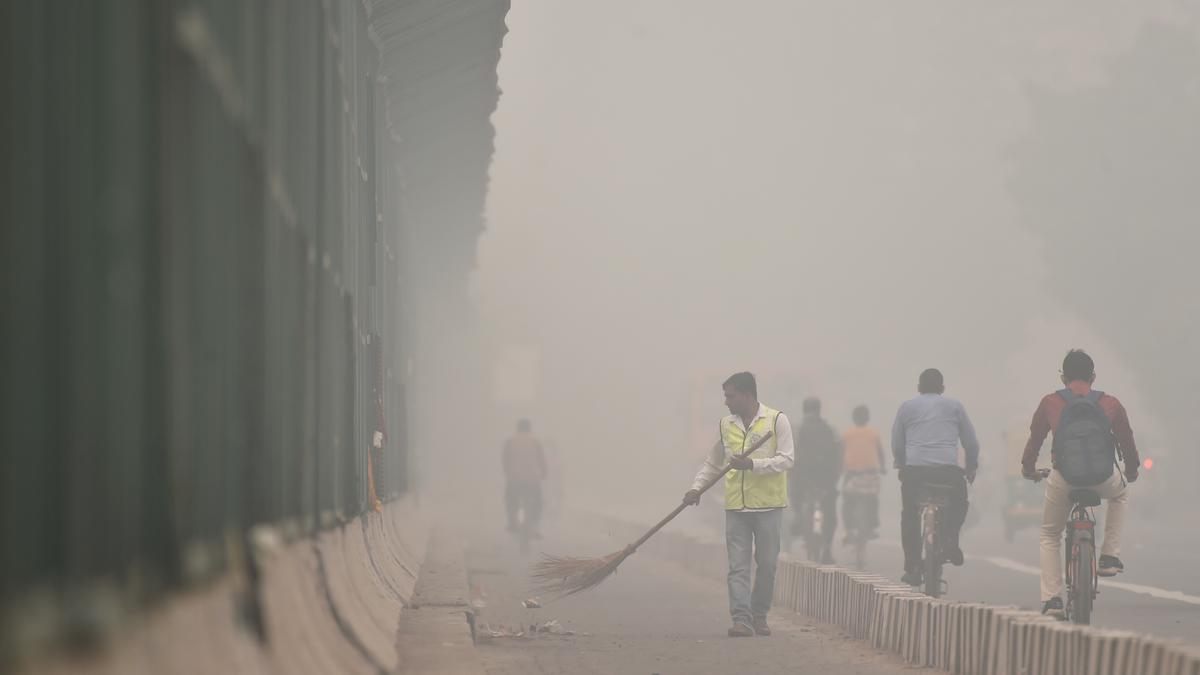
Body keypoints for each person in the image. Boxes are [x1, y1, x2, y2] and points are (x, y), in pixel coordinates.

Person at [1021, 349, 1139, 619]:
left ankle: (1052, 599)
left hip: (1064, 478)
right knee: (1120, 495)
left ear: (1063, 377)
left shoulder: (1050, 402)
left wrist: (1029, 469)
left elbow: (1034, 440)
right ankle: (1109, 557)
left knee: (1050, 534)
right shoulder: (1111, 403)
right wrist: (1131, 471)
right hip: (1103, 478)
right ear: (1093, 377)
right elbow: (1127, 442)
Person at [683, 372, 795, 638]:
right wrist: (696, 488)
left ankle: (759, 614)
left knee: (767, 565)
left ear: (747, 395)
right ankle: (741, 620)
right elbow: (713, 463)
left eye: (730, 396)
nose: (726, 402)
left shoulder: (777, 420)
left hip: (769, 507)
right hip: (736, 508)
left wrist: (753, 465)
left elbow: (787, 459)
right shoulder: (725, 425)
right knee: (738, 567)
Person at [891, 368, 979, 586]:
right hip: (947, 472)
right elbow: (971, 442)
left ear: (919, 388)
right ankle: (950, 540)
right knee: (959, 502)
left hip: (915, 473)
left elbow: (897, 443)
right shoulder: (955, 406)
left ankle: (912, 566)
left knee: (910, 514)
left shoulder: (906, 407)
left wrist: (901, 463)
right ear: (942, 389)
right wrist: (970, 466)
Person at [789, 397, 842, 563]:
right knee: (830, 510)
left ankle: (798, 517)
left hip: (803, 474)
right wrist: (835, 474)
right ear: (819, 410)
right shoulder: (830, 429)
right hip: (825, 476)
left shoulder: (798, 428)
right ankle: (827, 548)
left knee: (795, 493)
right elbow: (839, 452)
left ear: (804, 410)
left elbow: (791, 451)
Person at [841, 405, 886, 542]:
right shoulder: (874, 434)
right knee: (873, 499)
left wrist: (840, 469)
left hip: (852, 475)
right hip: (870, 475)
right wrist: (883, 468)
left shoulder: (846, 434)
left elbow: (840, 454)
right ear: (868, 418)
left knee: (847, 500)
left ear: (853, 418)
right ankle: (872, 527)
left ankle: (849, 530)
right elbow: (880, 453)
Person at [502, 419, 547, 537]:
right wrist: (544, 473)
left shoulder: (510, 442)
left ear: (517, 429)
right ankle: (534, 526)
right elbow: (541, 460)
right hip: (532, 479)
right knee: (539, 502)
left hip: (515, 479)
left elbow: (505, 460)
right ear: (529, 429)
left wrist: (508, 473)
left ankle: (512, 522)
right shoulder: (535, 442)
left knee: (510, 500)